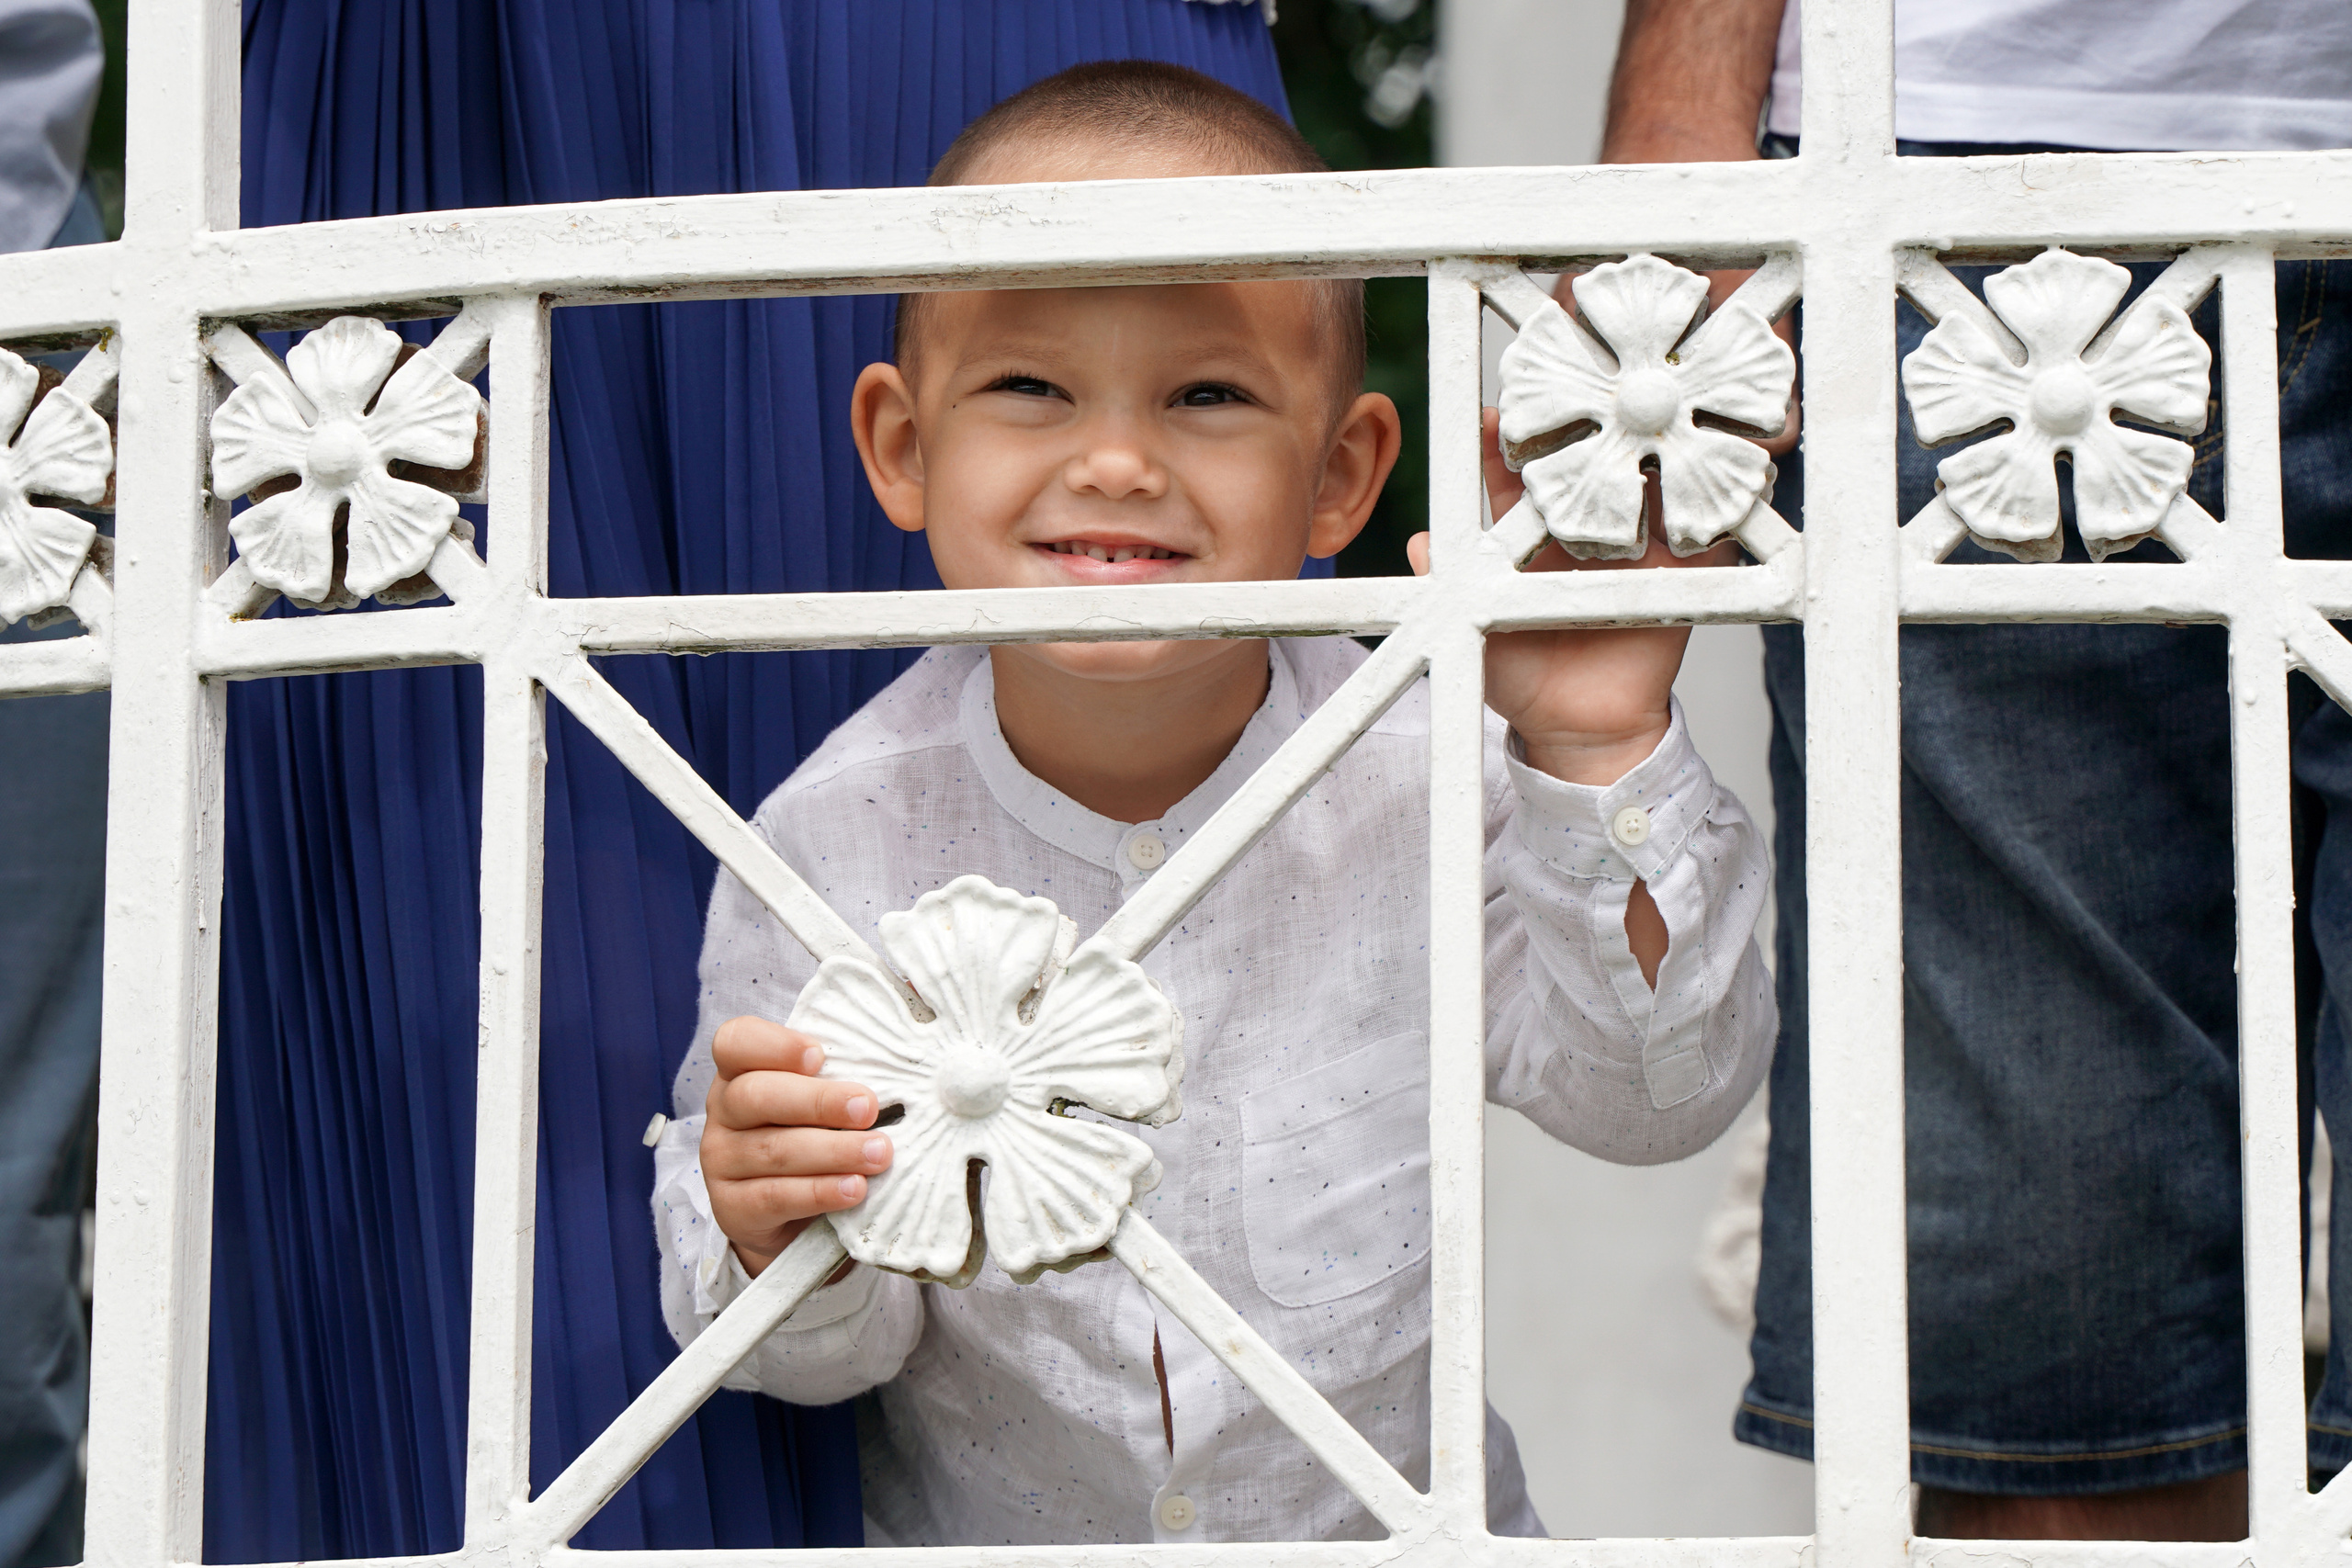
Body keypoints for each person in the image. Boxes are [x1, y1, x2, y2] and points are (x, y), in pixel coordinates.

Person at [645, 60, 1777, 1548]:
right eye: (1031, 387)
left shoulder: (1426, 768)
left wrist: (1596, 748)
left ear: (1342, 474)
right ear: (905, 449)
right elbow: (819, 1355)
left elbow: (1654, 1101)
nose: (1117, 461)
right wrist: (771, 1229)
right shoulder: (827, 843)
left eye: (1208, 394)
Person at [1600, 0, 2352, 1543]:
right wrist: (1675, 174)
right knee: (2054, 1358)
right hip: (1955, 180)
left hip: (1966, 202)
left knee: (2058, 1338)